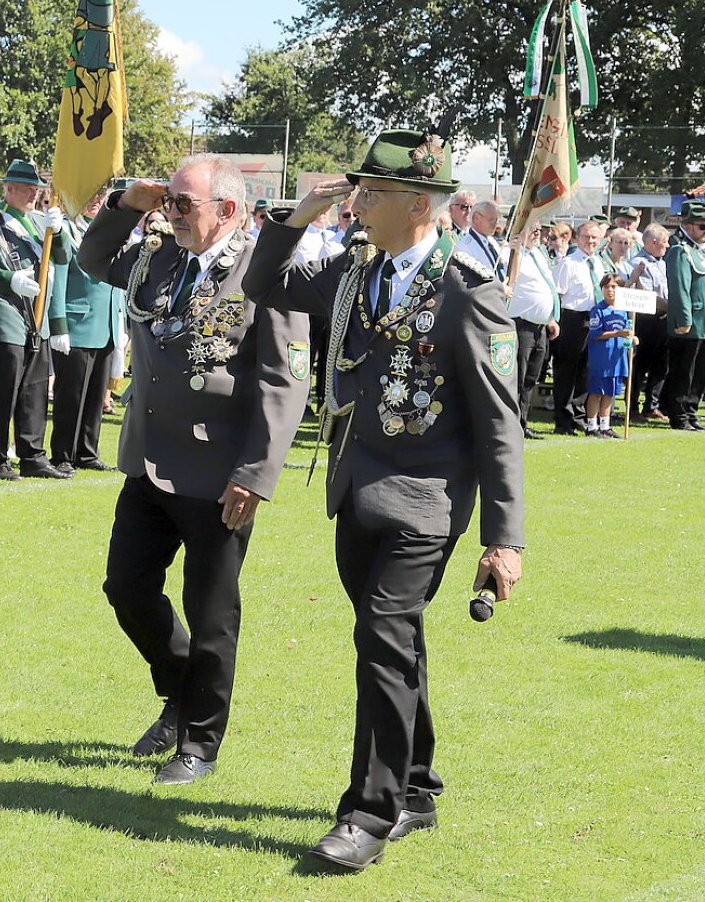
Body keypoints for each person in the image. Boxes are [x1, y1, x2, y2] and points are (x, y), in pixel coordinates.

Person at [244, 128, 524, 871]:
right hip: (355, 489)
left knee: (381, 636)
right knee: (392, 642)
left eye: (372, 192)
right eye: (358, 190)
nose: (358, 202)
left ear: (418, 205)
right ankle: (419, 784)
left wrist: (505, 539)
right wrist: (296, 217)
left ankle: (369, 812)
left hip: (426, 502)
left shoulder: (468, 289)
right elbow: (262, 285)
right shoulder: (351, 270)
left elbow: (500, 424)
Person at [76, 155, 310, 786]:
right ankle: (179, 693)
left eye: (184, 204)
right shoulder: (159, 259)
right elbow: (92, 261)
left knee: (211, 612)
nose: (171, 214)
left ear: (228, 211)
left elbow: (285, 381)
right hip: (148, 459)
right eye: (169, 203)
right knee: (126, 589)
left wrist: (257, 473)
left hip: (219, 472)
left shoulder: (263, 272)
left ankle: (200, 743)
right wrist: (129, 203)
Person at [0, 159, 70, 481]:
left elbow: (63, 257)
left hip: (37, 321)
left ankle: (33, 456)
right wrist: (7, 278)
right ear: (8, 189)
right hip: (5, 319)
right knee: (1, 394)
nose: (32, 195)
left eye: (36, 190)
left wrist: (61, 232)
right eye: (25, 189)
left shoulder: (40, 223)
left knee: (35, 394)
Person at [50, 187, 124, 473]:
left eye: (99, 196)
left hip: (105, 323)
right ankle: (63, 454)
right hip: (77, 323)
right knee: (71, 396)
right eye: (90, 196)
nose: (95, 201)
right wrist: (58, 323)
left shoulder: (106, 233)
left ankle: (87, 451)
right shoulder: (66, 230)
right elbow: (58, 276)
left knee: (95, 395)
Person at [550, 220, 614, 434]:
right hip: (572, 319)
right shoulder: (569, 263)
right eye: (586, 237)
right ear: (577, 238)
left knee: (586, 371)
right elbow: (557, 294)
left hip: (595, 318)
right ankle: (563, 420)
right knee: (567, 371)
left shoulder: (598, 262)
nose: (590, 241)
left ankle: (580, 417)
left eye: (595, 237)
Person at [501, 223, 559, 438]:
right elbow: (509, 280)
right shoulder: (509, 253)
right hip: (520, 324)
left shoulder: (538, 254)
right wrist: (514, 249)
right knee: (517, 377)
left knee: (530, 379)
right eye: (531, 227)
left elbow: (545, 287)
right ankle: (511, 425)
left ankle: (522, 423)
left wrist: (551, 317)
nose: (537, 232)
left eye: (538, 228)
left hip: (540, 327)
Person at [663, 200, 705, 430]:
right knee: (683, 372)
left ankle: (691, 412)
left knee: (700, 372)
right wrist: (684, 319)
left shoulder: (700, 251)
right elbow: (680, 287)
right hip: (690, 323)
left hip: (704, 323)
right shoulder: (680, 250)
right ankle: (679, 415)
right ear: (688, 226)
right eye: (702, 226)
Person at [625, 223, 670, 420]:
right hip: (646, 319)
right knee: (640, 365)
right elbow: (648, 294)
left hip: (663, 319)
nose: (667, 246)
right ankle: (632, 405)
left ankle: (652, 404)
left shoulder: (662, 263)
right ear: (653, 242)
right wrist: (672, 307)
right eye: (665, 242)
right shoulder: (639, 263)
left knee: (661, 364)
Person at [585, 273, 633, 438]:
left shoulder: (623, 311)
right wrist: (617, 333)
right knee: (596, 391)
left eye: (614, 287)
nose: (610, 290)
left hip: (617, 358)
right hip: (601, 357)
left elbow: (627, 332)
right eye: (606, 287)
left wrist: (631, 338)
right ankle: (592, 426)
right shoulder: (598, 310)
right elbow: (595, 334)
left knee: (610, 393)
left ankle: (605, 425)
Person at [455, 199, 504, 276]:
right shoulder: (465, 247)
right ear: (477, 218)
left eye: (497, 220)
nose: (495, 224)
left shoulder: (491, 242)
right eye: (492, 220)